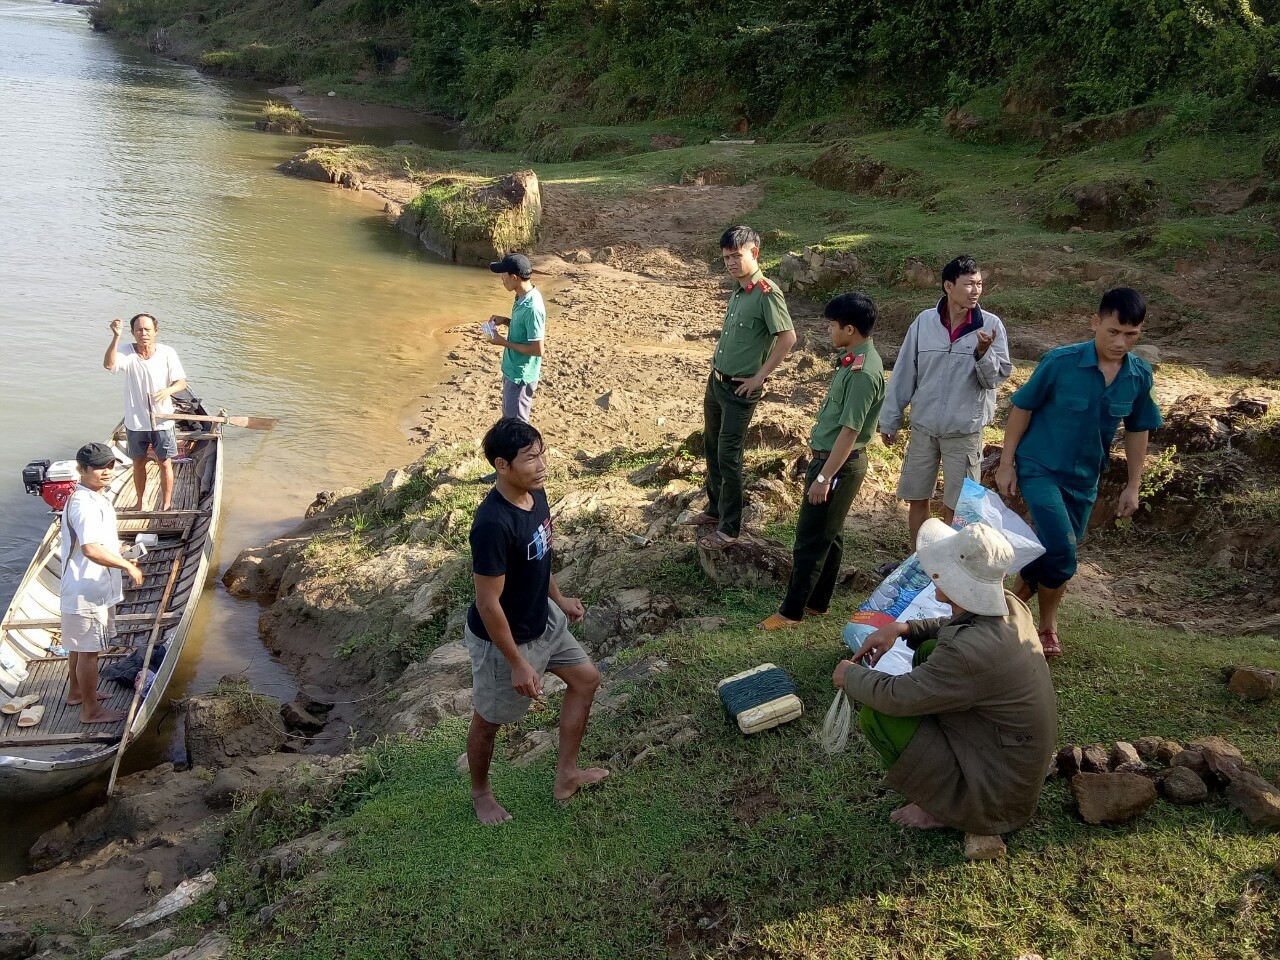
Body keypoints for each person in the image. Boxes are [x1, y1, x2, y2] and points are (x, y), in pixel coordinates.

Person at [834, 519, 1056, 837]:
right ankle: (945, 781)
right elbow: (957, 624)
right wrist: (903, 628)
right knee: (927, 648)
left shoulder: (969, 653)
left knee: (880, 716)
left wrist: (850, 676)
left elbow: (897, 697)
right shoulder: (1010, 605)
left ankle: (941, 809)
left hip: (996, 798)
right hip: (1009, 763)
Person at [995, 287, 1162, 658]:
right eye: (1113, 332)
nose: (1121, 342)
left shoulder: (1138, 375)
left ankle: (1017, 606)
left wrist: (1134, 485)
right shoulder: (1060, 362)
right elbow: (1021, 409)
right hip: (1039, 468)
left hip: (1085, 480)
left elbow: (1138, 430)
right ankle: (1043, 623)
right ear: (1095, 323)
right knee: (1062, 550)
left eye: (1131, 335)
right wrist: (1007, 464)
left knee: (1052, 552)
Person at [464, 418, 609, 824]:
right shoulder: (492, 524)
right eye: (530, 458)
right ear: (502, 465)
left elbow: (540, 555)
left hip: (543, 620)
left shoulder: (536, 493)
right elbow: (489, 604)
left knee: (586, 680)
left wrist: (559, 600)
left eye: (541, 452)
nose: (541, 464)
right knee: (489, 721)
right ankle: (480, 793)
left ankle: (567, 777)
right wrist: (517, 663)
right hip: (503, 640)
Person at [760, 292, 885, 630]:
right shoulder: (853, 358)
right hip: (833, 461)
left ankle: (791, 613)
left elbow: (849, 431)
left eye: (832, 325)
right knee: (831, 534)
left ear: (849, 329)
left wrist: (824, 477)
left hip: (837, 463)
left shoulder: (862, 372)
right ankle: (818, 602)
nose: (828, 330)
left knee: (810, 540)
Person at [879, 255, 1012, 549]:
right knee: (917, 496)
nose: (975, 291)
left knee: (957, 504)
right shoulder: (924, 322)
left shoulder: (991, 326)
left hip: (964, 432)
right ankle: (918, 562)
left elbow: (994, 380)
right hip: (924, 427)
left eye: (979, 284)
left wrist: (983, 352)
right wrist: (890, 418)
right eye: (969, 284)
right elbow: (904, 372)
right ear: (948, 286)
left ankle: (947, 571)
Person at [685, 225, 796, 548]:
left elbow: (787, 338)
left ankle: (730, 527)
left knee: (728, 454)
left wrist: (760, 376)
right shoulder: (738, 289)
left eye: (737, 256)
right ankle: (716, 508)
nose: (731, 263)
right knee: (711, 446)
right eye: (726, 258)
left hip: (740, 390)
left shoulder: (766, 292)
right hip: (717, 381)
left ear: (754, 253)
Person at [60, 443, 145, 725]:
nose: (106, 472)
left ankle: (76, 693)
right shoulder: (84, 504)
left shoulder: (93, 497)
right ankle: (90, 710)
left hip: (87, 588)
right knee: (89, 653)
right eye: (98, 467)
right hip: (87, 592)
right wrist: (127, 565)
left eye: (110, 466)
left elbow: (98, 543)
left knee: (79, 648)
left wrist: (120, 551)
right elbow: (90, 549)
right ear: (81, 470)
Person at [103, 313, 188, 511]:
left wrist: (168, 391)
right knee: (138, 463)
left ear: (155, 331)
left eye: (147, 329)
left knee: (165, 463)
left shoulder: (167, 352)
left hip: (162, 421)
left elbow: (181, 382)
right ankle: (140, 503)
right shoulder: (126, 351)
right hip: (135, 421)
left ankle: (166, 504)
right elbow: (109, 365)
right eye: (139, 330)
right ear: (132, 333)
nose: (143, 333)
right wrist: (116, 337)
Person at [484, 253, 545, 423]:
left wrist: (502, 342)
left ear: (514, 277)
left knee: (516, 426)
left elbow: (538, 350)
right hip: (512, 371)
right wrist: (505, 321)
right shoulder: (521, 297)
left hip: (521, 376)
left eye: (503, 275)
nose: (501, 279)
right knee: (509, 421)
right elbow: (524, 330)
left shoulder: (533, 308)